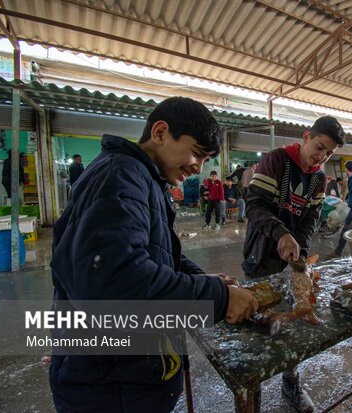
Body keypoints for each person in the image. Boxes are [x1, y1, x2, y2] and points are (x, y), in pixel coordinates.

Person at [49, 96, 258, 412]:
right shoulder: (120, 176)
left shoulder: (144, 179)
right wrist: (218, 297)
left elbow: (154, 256)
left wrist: (197, 277)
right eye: (196, 154)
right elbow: (112, 283)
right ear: (160, 132)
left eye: (205, 160)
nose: (198, 168)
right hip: (109, 387)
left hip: (130, 378)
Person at [242, 115, 344, 412]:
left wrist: (299, 250)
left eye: (328, 153)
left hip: (292, 259)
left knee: (295, 321)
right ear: (306, 135)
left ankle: (292, 385)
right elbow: (255, 206)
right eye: (319, 146)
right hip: (260, 258)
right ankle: (253, 394)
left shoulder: (318, 177)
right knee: (257, 328)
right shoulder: (276, 161)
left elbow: (311, 218)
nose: (321, 156)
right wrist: (281, 234)